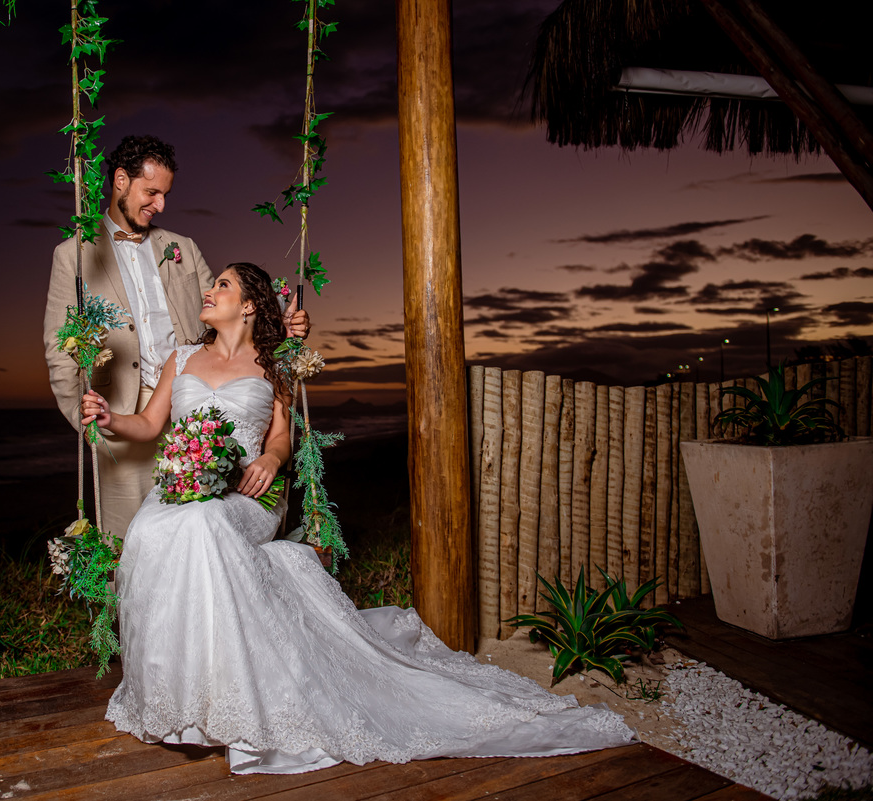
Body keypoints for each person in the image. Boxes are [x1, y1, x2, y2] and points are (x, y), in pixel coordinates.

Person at [79, 262, 635, 775]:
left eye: (222, 284)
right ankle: (180, 698)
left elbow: (280, 436)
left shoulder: (275, 365)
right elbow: (147, 425)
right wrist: (108, 418)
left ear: (248, 305)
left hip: (248, 495)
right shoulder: (181, 359)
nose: (208, 291)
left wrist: (271, 460)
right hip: (182, 490)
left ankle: (229, 699)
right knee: (153, 529)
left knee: (205, 528)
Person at [44, 135, 307, 539]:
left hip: (195, 407)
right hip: (123, 416)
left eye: (165, 194)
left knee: (202, 532)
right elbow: (60, 347)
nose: (161, 205)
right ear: (120, 181)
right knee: (130, 541)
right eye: (151, 192)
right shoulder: (74, 255)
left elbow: (227, 308)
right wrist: (91, 423)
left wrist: (283, 325)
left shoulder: (183, 247)